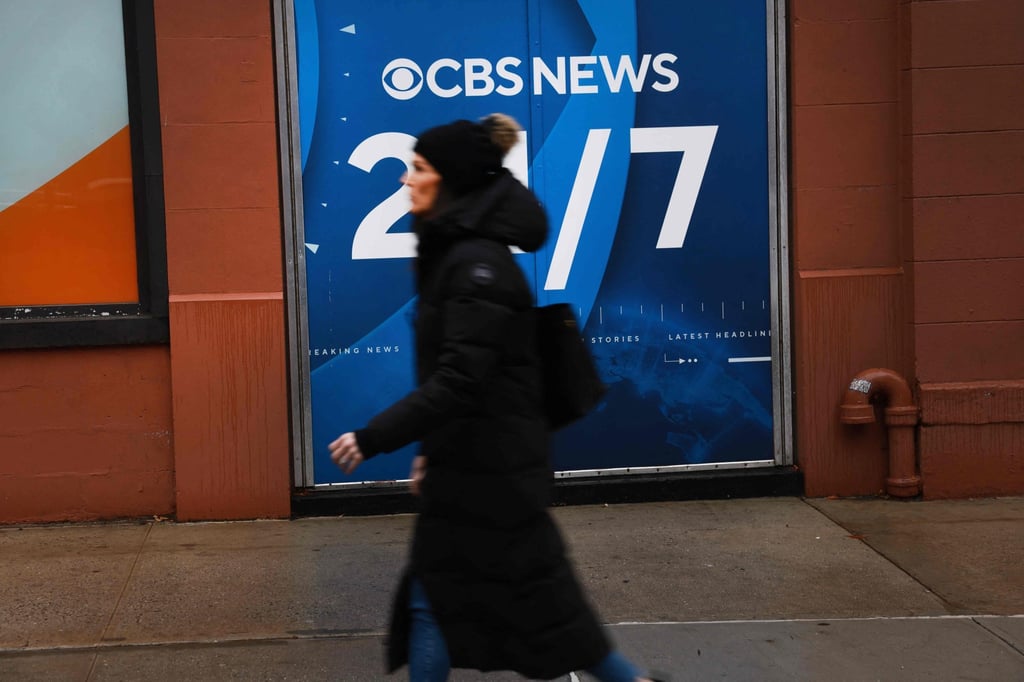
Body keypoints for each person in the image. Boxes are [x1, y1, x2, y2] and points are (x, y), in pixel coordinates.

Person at [329, 114, 664, 682]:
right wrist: (431, 451)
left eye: (418, 168)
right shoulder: (458, 255)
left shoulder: (475, 266)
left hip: (494, 473)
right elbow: (461, 379)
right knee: (448, 597)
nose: (406, 179)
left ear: (451, 180)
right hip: (478, 464)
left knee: (521, 603)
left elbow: (460, 379)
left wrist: (372, 437)